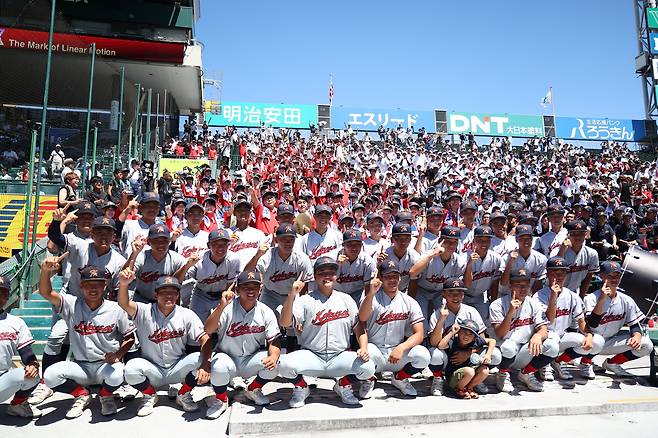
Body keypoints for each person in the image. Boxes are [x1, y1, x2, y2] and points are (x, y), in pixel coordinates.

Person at [39, 261, 136, 418]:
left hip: (105, 366)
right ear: (81, 286)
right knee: (50, 375)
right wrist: (44, 271)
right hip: (80, 367)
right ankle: (81, 394)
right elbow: (46, 293)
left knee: (118, 374)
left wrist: (118, 354)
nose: (93, 288)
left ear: (105, 286)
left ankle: (105, 395)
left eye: (98, 284)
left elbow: (130, 337)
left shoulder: (115, 308)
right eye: (88, 284)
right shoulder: (72, 304)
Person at [278, 257, 375, 407]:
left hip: (339, 356)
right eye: (322, 272)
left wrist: (363, 348)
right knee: (283, 364)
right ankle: (302, 387)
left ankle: (343, 385)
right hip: (312, 355)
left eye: (331, 272)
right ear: (315, 276)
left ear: (336, 276)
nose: (327, 276)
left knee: (368, 367)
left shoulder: (346, 299)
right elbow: (284, 323)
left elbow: (359, 328)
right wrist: (291, 295)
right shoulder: (305, 300)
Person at [117, 273, 211, 417]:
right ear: (156, 295)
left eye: (173, 292)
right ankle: (149, 395)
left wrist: (205, 364)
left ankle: (183, 393)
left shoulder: (186, 314)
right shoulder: (144, 311)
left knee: (201, 359)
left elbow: (204, 338)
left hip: (178, 368)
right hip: (152, 368)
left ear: (178, 295)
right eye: (164, 292)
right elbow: (124, 303)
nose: (169, 296)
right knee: (131, 369)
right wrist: (123, 284)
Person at [200, 270, 281, 419]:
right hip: (227, 357)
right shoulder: (226, 308)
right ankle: (221, 398)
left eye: (254, 287)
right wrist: (221, 306)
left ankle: (253, 389)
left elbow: (274, 340)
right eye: (246, 287)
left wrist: (273, 356)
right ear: (237, 289)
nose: (251, 290)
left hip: (251, 358)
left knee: (277, 363)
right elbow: (208, 330)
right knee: (218, 366)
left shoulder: (265, 311)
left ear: (260, 289)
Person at [359, 260, 429, 398]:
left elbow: (420, 334)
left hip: (397, 354)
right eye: (387, 276)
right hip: (376, 352)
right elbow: (362, 318)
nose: (392, 280)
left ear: (400, 278)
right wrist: (371, 293)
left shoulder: (409, 301)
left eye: (395, 276)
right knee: (366, 353)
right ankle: (369, 379)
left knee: (423, 356)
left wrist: (402, 347)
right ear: (380, 278)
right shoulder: (371, 298)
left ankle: (400, 378)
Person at [534, 257, 605, 381]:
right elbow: (549, 320)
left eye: (563, 272)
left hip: (562, 336)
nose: (559, 275)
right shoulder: (539, 296)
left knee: (594, 341)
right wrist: (553, 296)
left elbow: (581, 321)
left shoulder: (572, 295)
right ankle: (543, 364)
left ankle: (558, 361)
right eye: (555, 272)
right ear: (548, 273)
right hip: (545, 339)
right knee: (553, 339)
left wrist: (588, 335)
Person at [489, 269, 559, 393]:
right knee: (509, 347)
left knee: (552, 346)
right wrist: (510, 312)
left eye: (526, 285)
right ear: (510, 286)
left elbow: (544, 329)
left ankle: (526, 373)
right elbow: (500, 334)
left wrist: (537, 336)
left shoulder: (533, 304)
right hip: (504, 351)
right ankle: (502, 373)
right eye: (518, 285)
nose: (522, 288)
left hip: (525, 350)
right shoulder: (497, 304)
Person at [582, 261, 653, 378]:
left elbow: (634, 325)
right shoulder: (591, 298)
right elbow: (592, 324)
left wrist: (637, 336)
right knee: (597, 339)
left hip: (611, 341)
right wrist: (602, 300)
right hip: (590, 342)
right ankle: (586, 362)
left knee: (646, 344)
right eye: (610, 276)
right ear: (601, 276)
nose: (614, 279)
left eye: (617, 276)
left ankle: (613, 363)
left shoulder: (626, 300)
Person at [0, 276, 42, 418]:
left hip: (2, 379)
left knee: (33, 375)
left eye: (3, 292)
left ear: (7, 296)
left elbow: (26, 353)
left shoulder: (16, 323)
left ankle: (17, 405)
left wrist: (32, 364)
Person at [124, 224, 197, 303]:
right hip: (141, 299)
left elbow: (178, 281)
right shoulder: (142, 256)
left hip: (166, 302)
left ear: (169, 241)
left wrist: (187, 266)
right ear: (149, 241)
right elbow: (125, 275)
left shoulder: (176, 259)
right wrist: (134, 254)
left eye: (164, 240)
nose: (160, 244)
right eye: (156, 240)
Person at [187, 229, 241, 322]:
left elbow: (231, 284)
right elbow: (181, 278)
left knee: (227, 324)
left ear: (228, 245)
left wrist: (226, 300)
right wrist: (187, 265)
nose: (220, 248)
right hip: (201, 295)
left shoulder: (234, 259)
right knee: (196, 325)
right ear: (208, 245)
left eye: (224, 244)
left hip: (222, 294)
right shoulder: (199, 259)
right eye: (215, 244)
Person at [437, 319, 496, 399]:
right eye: (464, 332)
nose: (466, 336)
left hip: (468, 374)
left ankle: (469, 388)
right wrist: (452, 332)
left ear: (474, 338)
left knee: (485, 370)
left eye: (470, 334)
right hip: (453, 377)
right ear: (459, 332)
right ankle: (459, 389)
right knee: (470, 371)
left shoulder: (476, 341)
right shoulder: (454, 341)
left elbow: (492, 341)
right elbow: (441, 345)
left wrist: (488, 355)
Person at [335, 229, 377, 305]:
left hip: (357, 294)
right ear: (343, 245)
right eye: (349, 244)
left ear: (362, 245)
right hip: (337, 294)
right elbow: (327, 283)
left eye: (357, 244)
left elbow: (368, 288)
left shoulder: (368, 261)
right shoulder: (332, 258)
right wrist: (336, 266)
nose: (354, 248)